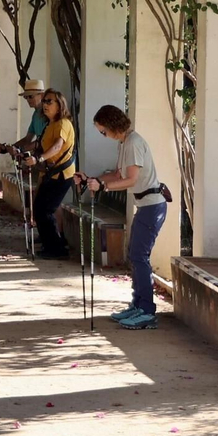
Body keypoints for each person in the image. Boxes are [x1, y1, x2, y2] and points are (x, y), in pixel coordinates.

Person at [77, 105, 170, 330]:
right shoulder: (125, 143)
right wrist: (93, 179)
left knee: (139, 256)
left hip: (152, 206)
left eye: (103, 132)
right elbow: (119, 174)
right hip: (145, 205)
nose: (104, 135)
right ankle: (138, 304)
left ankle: (147, 311)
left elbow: (131, 180)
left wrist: (104, 187)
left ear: (111, 125)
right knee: (135, 255)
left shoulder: (134, 143)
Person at [19, 89, 77, 259]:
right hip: (50, 173)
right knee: (39, 208)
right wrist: (22, 152)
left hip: (61, 174)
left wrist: (39, 159)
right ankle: (49, 245)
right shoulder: (49, 124)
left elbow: (58, 146)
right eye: (44, 101)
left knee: (46, 210)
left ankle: (57, 249)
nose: (45, 104)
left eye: (49, 101)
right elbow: (39, 145)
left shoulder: (63, 123)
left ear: (60, 105)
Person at [0, 79, 48, 158]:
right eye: (26, 97)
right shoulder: (35, 115)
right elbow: (27, 139)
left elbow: (42, 141)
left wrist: (20, 149)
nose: (28, 100)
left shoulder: (47, 114)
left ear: (42, 95)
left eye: (31, 96)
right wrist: (7, 148)